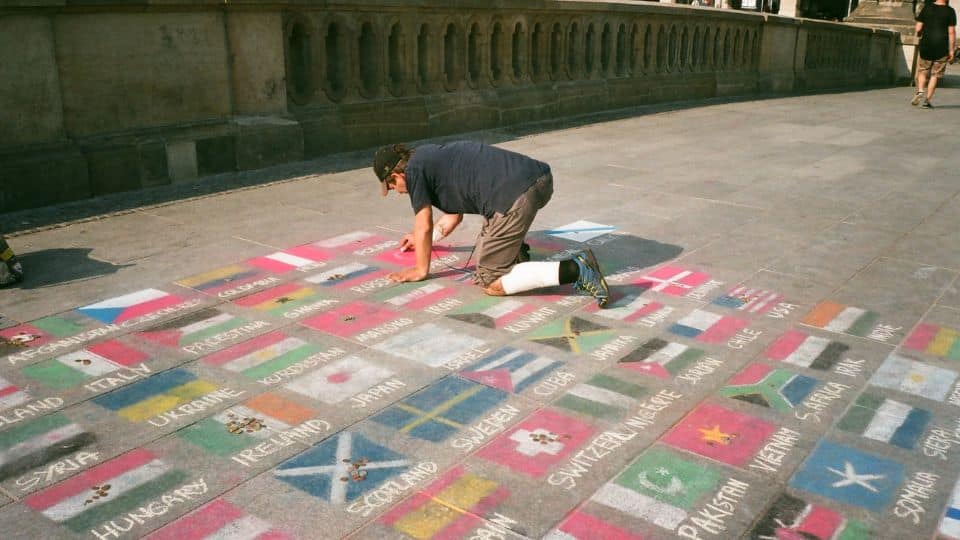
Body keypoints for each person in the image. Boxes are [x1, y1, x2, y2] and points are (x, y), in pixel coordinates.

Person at [373, 141, 609, 307]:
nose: (396, 192)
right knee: (489, 249)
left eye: (391, 187)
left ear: (396, 175)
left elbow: (423, 222)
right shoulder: (426, 158)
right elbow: (453, 217)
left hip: (516, 195)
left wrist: (419, 270)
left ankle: (578, 269)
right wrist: (425, 240)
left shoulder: (414, 172)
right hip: (537, 179)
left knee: (489, 280)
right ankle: (515, 254)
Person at [913, 0, 956, 108]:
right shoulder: (950, 11)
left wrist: (920, 33)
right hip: (941, 47)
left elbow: (918, 28)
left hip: (926, 45)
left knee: (922, 71)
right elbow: (951, 32)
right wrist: (951, 51)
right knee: (935, 75)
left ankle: (920, 91)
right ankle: (927, 102)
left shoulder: (926, 8)